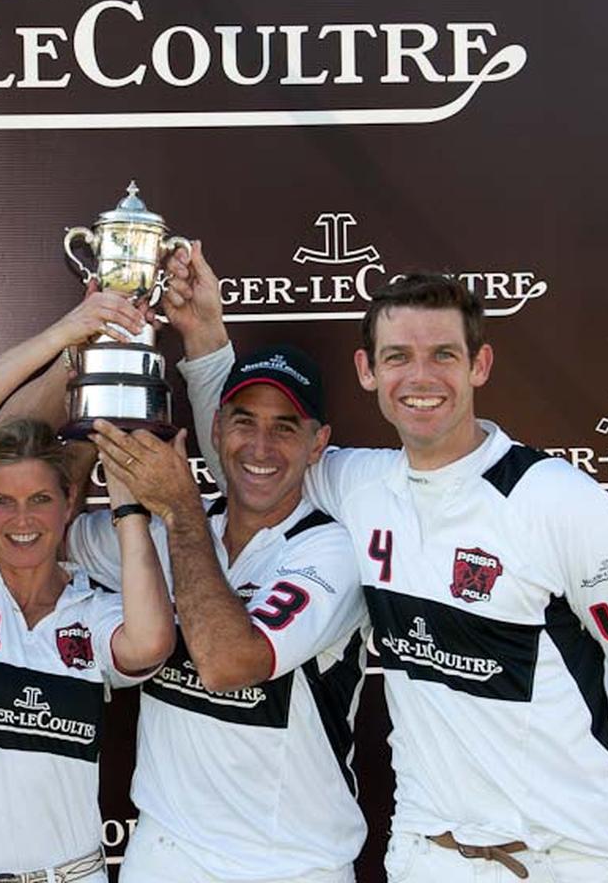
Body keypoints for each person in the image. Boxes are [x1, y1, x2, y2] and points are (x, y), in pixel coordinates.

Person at [166, 249, 608, 883]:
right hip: (429, 856)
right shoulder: (356, 484)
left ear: (479, 365)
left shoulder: (556, 499)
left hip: (565, 862)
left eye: (443, 355)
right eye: (398, 357)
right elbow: (250, 463)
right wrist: (205, 335)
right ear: (368, 371)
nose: (420, 377)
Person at [80, 334, 374, 883]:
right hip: (164, 853)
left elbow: (229, 662)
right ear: (216, 429)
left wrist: (180, 509)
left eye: (285, 428)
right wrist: (85, 397)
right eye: (243, 422)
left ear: (318, 444)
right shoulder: (174, 525)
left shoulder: (330, 548)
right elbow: (41, 536)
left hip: (290, 865)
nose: (260, 448)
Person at [0, 288, 174, 883]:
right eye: (1, 502)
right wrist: (69, 335)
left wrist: (128, 502)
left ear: (69, 502)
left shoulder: (90, 608)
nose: (21, 521)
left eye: (39, 501)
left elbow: (150, 645)